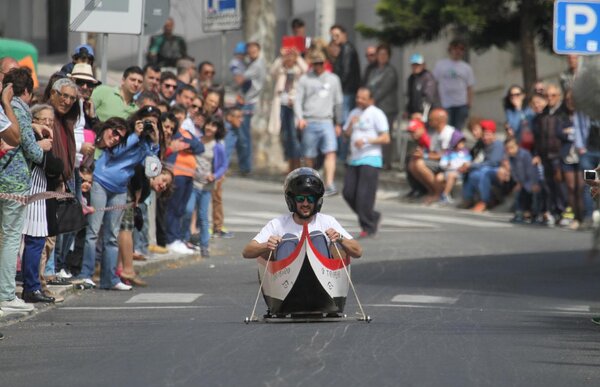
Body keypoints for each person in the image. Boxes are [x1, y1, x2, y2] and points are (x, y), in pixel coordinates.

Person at [79, 108, 161, 290]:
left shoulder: (145, 144)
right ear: (138, 120)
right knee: (93, 232)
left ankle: (110, 279)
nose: (147, 125)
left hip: (120, 189)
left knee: (112, 236)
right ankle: (86, 274)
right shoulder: (125, 133)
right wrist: (136, 135)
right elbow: (115, 152)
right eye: (145, 121)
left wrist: (154, 141)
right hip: (101, 182)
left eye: (152, 122)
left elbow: (152, 167)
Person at [242, 168, 362, 261]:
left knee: (317, 237)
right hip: (286, 279)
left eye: (310, 199)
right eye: (300, 199)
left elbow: (358, 252)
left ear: (317, 202)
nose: (305, 203)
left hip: (323, 276)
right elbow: (247, 252)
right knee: (288, 239)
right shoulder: (278, 224)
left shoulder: (327, 221)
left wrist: (339, 238)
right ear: (292, 201)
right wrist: (267, 245)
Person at [0, 68, 44, 313]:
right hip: (14, 184)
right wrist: (44, 146)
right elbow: (31, 150)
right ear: (26, 91)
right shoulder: (19, 111)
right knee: (10, 240)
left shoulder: (3, 107)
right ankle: (6, 294)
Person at [21, 104, 62, 304]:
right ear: (33, 120)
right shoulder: (34, 137)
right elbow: (54, 165)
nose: (47, 123)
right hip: (30, 194)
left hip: (42, 194)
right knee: (34, 242)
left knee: (37, 242)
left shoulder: (49, 140)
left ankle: (35, 285)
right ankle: (30, 287)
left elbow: (58, 167)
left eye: (50, 120)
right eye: (43, 119)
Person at [342, 88, 390, 238]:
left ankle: (368, 226)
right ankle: (372, 216)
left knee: (364, 196)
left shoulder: (377, 113)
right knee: (348, 193)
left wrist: (366, 141)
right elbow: (346, 134)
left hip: (371, 158)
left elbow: (386, 138)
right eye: (358, 97)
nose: (359, 100)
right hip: (354, 159)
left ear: (371, 100)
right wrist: (350, 124)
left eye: (363, 98)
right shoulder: (354, 112)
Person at [295, 50, 343, 196]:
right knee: (309, 155)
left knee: (330, 152)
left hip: (326, 120)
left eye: (320, 63)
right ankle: (311, 181)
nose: (318, 67)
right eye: (315, 64)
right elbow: (298, 100)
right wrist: (300, 118)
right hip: (310, 119)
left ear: (325, 63)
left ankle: (329, 183)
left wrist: (338, 122)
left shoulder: (333, 79)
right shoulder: (305, 79)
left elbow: (338, 102)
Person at [184, 118, 228, 257]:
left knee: (203, 216)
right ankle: (185, 240)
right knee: (188, 210)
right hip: (192, 183)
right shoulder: (197, 140)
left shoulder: (217, 146)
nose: (210, 127)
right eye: (208, 123)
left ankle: (204, 245)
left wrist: (214, 175)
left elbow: (223, 165)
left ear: (217, 130)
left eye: (214, 126)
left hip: (206, 187)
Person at [269, 47, 308, 172]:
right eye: (288, 56)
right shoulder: (281, 70)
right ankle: (290, 162)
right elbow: (272, 71)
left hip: (294, 105)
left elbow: (306, 69)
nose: (289, 59)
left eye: (292, 57)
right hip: (282, 104)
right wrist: (281, 57)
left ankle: (296, 163)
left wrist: (298, 57)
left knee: (294, 135)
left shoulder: (298, 70)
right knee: (285, 135)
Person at [407, 108, 455, 204]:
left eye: (431, 120)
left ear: (439, 121)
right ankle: (431, 190)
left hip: (449, 163)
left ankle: (438, 193)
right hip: (438, 161)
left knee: (420, 163)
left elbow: (444, 155)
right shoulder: (435, 132)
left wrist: (424, 155)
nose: (429, 122)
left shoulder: (448, 133)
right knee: (412, 164)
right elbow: (432, 151)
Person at [458, 120, 505, 212]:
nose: (485, 137)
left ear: (493, 134)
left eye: (488, 134)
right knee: (471, 173)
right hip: (484, 167)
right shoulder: (482, 144)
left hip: (496, 170)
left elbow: (493, 163)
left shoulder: (497, 145)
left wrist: (473, 165)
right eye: (484, 135)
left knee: (483, 173)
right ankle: (468, 199)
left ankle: (484, 201)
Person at [364, 44, 398, 170]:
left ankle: (386, 162)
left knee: (385, 134)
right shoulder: (372, 70)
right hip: (373, 107)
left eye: (385, 54)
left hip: (386, 108)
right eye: (380, 54)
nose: (382, 57)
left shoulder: (390, 71)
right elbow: (367, 86)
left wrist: (370, 100)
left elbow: (384, 89)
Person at [234, 42, 266, 175]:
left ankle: (245, 167)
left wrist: (236, 66)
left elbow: (240, 80)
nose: (252, 52)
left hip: (249, 103)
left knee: (243, 135)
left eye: (254, 50)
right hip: (248, 101)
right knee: (242, 134)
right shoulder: (253, 64)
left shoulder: (257, 65)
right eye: (250, 50)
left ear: (258, 50)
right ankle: (244, 166)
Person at [433, 39, 475, 130]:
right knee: (446, 130)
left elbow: (470, 87)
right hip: (445, 104)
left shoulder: (467, 68)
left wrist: (469, 104)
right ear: (450, 50)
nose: (458, 51)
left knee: (457, 132)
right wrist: (436, 101)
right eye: (455, 48)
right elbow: (434, 84)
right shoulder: (440, 65)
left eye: (461, 49)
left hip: (461, 104)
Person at [437, 130, 472, 204]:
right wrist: (447, 164)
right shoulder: (449, 152)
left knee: (451, 176)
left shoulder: (465, 153)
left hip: (459, 173)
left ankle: (444, 195)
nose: (462, 144)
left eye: (463, 142)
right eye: (460, 142)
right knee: (438, 178)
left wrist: (463, 166)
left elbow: (468, 162)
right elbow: (442, 163)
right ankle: (446, 193)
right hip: (448, 171)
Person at [405, 53, 438, 121]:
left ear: (423, 65)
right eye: (414, 65)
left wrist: (422, 113)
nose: (416, 67)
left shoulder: (428, 77)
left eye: (418, 65)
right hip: (415, 114)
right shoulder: (411, 78)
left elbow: (428, 97)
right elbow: (410, 96)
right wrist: (408, 111)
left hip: (427, 114)